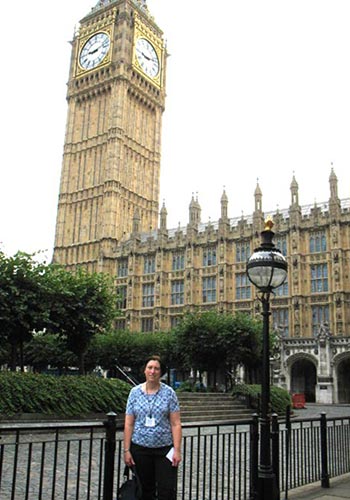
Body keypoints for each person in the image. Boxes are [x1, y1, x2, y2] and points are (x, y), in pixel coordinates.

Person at [123, 355, 182, 500]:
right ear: (144, 370)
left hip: (164, 449)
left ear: (161, 372)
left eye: (156, 368)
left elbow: (176, 423)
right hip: (140, 448)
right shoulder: (134, 393)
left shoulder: (169, 393)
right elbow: (129, 423)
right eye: (150, 367)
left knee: (166, 490)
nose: (153, 371)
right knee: (145, 490)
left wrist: (177, 450)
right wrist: (126, 450)